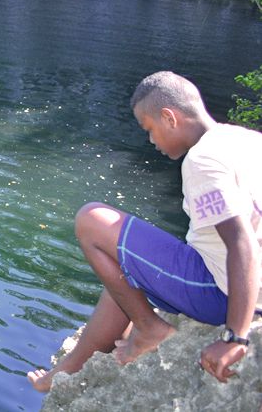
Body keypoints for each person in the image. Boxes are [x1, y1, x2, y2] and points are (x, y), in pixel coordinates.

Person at [28, 71, 262, 392]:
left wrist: (236, 336)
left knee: (92, 220)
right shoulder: (247, 140)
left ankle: (149, 328)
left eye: (149, 130)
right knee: (122, 272)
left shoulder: (203, 160)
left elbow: (241, 242)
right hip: (246, 286)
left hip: (221, 293)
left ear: (169, 117)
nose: (151, 142)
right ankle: (68, 372)